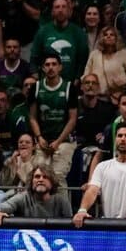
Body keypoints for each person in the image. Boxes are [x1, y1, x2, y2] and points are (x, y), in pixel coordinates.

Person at [74, 123, 126, 227]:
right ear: (115, 139)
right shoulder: (102, 166)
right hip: (110, 225)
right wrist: (82, 210)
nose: (123, 139)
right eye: (120, 135)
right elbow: (92, 190)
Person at [26, 53, 79, 183]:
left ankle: (62, 204)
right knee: (38, 176)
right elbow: (32, 117)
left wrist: (58, 141)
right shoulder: (36, 87)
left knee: (57, 176)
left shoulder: (69, 88)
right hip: (43, 139)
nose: (51, 67)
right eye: (47, 65)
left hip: (64, 141)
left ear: (60, 67)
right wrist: (39, 137)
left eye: (54, 64)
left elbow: (72, 119)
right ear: (43, 68)